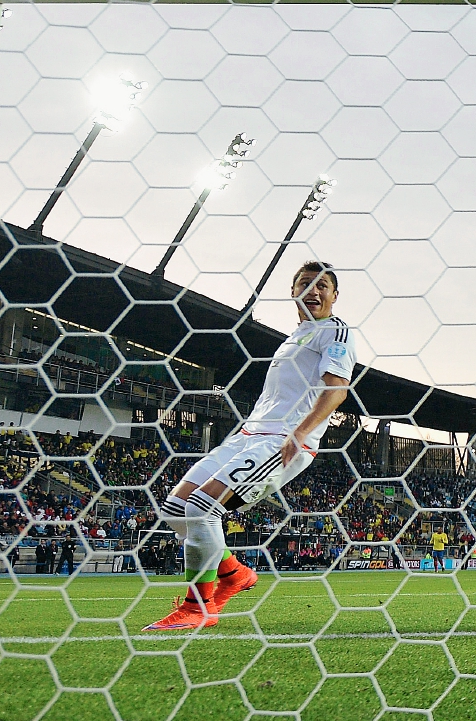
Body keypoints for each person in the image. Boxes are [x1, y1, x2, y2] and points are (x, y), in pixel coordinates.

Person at [144, 262, 356, 631]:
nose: (314, 291)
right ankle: (233, 574)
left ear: (335, 296)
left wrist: (300, 433)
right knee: (176, 509)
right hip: (249, 434)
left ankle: (200, 607)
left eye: (323, 286)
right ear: (293, 292)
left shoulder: (334, 331)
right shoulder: (294, 337)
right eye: (305, 283)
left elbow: (337, 389)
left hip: (283, 439)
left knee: (202, 507)